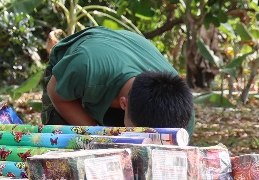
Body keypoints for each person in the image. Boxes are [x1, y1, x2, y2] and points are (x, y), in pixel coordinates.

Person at [41, 25, 195, 131]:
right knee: (65, 140)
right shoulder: (86, 68)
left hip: (123, 53)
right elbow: (56, 93)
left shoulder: (181, 118)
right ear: (123, 103)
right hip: (79, 64)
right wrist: (98, 136)